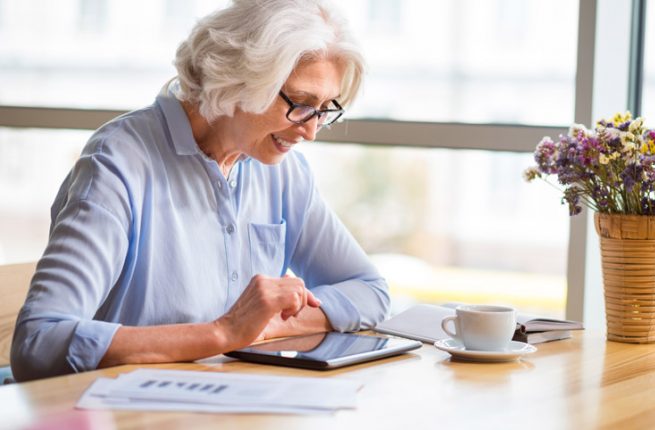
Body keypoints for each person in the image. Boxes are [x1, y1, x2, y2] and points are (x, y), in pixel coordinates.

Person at [11, 0, 389, 382]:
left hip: (236, 404)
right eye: (302, 104)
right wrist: (222, 333)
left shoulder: (284, 173)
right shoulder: (119, 162)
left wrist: (267, 327)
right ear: (239, 77)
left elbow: (370, 291)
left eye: (326, 109)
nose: (311, 130)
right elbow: (39, 343)